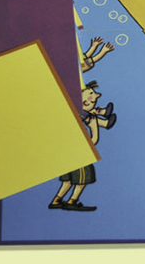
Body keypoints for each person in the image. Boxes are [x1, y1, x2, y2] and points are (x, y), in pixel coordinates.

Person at [47, 81, 115, 211]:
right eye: (88, 101)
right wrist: (95, 127)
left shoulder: (73, 115)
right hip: (78, 155)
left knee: (68, 180)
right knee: (83, 179)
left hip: (67, 153)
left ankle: (56, 200)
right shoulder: (78, 118)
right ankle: (72, 201)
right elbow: (92, 141)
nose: (91, 101)